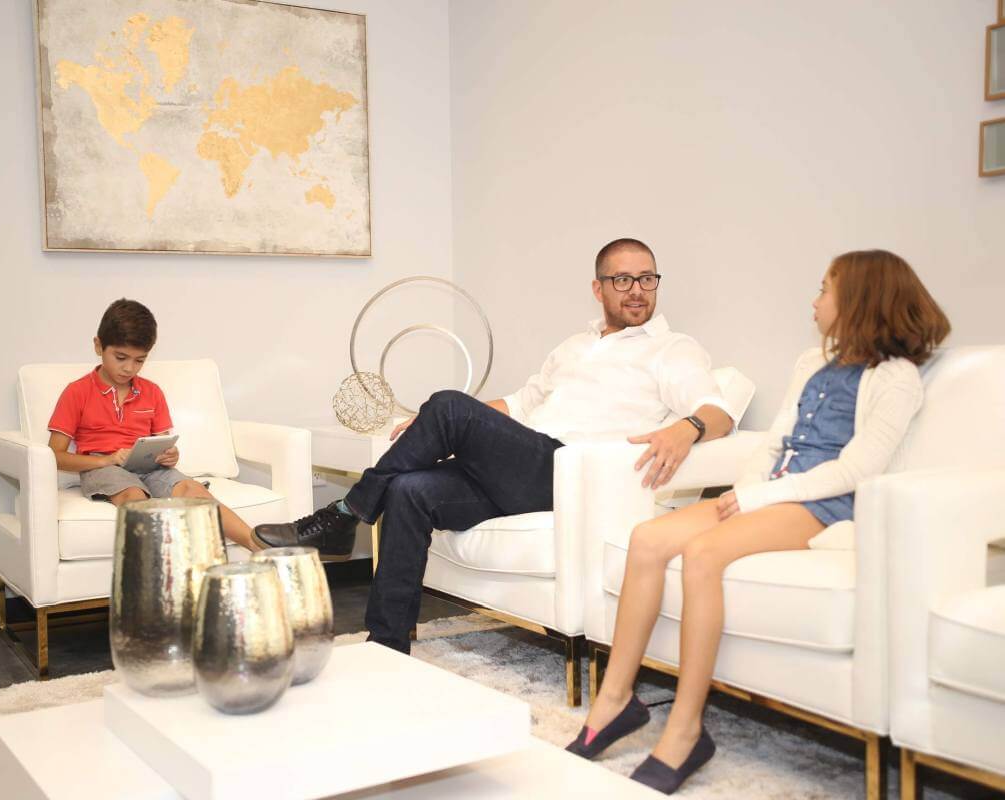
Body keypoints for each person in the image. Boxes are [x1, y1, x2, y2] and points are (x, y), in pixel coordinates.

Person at [566, 249, 951, 794]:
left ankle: (686, 727)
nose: (814, 301)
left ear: (860, 300)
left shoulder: (895, 377)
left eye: (825, 289)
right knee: (648, 539)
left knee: (702, 555)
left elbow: (860, 467)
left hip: (826, 506)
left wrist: (766, 497)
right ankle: (615, 700)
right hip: (771, 494)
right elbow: (774, 442)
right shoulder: (810, 362)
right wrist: (745, 492)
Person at [254, 238, 737, 653]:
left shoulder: (672, 349)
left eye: (647, 279)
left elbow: (719, 412)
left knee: (446, 404)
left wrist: (688, 427)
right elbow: (521, 402)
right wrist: (434, 425)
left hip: (570, 474)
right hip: (522, 470)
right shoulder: (574, 346)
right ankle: (388, 646)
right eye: (622, 280)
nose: (636, 290)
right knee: (409, 490)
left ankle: (344, 515)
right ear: (598, 288)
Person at [47, 299, 259, 551]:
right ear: (98, 346)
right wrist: (106, 460)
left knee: (194, 491)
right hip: (103, 465)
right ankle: (163, 565)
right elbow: (54, 456)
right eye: (121, 357)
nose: (128, 368)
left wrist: (170, 455)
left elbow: (162, 442)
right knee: (135, 497)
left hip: (149, 467)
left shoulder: (152, 392)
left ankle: (257, 545)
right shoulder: (77, 392)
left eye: (139, 360)